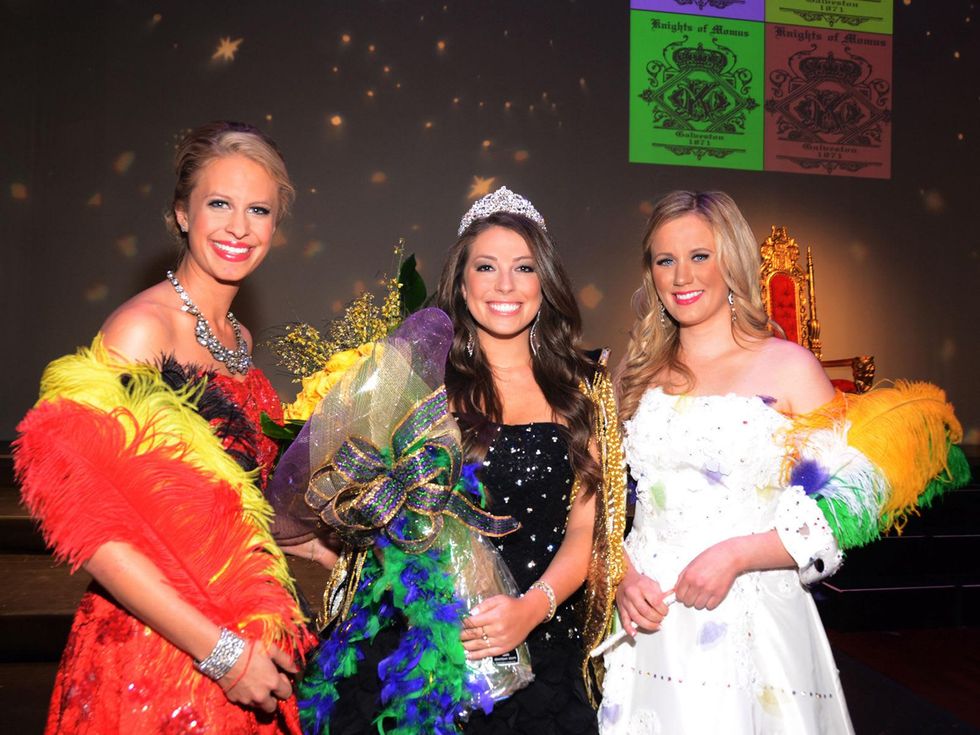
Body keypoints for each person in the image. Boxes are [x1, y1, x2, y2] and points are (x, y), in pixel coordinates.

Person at [15, 121, 314, 734]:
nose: (238, 227)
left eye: (258, 210)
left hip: (246, 645)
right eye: (219, 204)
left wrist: (335, 549)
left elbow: (225, 512)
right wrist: (223, 656)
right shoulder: (142, 331)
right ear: (182, 213)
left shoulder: (239, 340)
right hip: (156, 656)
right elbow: (91, 531)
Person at [306, 187, 626, 734]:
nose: (505, 285)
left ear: (544, 284)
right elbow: (350, 506)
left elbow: (588, 529)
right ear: (461, 281)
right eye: (486, 267)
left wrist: (530, 609)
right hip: (418, 653)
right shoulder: (417, 382)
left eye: (523, 268)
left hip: (540, 647)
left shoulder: (583, 388)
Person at [600, 190, 853, 734]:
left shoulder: (790, 369)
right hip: (652, 622)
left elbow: (844, 511)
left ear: (732, 261)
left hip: (753, 618)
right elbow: (599, 501)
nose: (681, 275)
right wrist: (622, 575)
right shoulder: (636, 372)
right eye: (665, 260)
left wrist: (738, 556)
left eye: (699, 256)